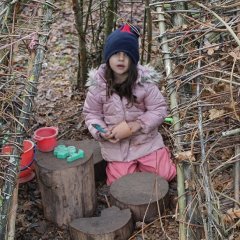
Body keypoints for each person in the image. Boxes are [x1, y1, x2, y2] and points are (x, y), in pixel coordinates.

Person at [83, 24, 176, 185]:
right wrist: (102, 131)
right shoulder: (98, 86)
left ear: (133, 59)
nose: (121, 58)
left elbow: (159, 110)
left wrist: (137, 124)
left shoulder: (144, 83)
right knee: (119, 184)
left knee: (165, 175)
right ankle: (132, 168)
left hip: (145, 142)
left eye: (126, 54)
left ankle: (157, 158)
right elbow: (91, 114)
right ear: (107, 57)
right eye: (116, 54)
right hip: (117, 148)